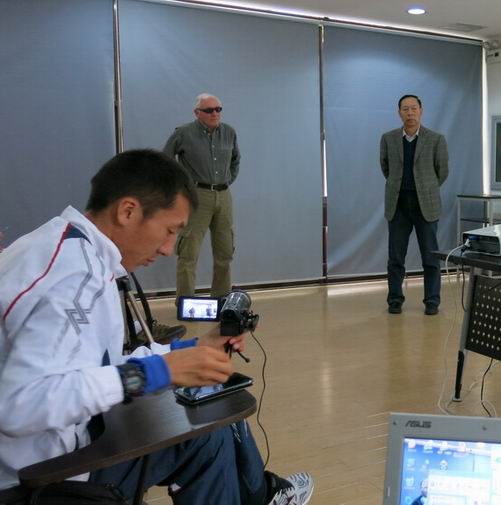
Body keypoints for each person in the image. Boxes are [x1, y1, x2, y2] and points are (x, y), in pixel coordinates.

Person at [0, 150, 312, 505]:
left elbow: (88, 367)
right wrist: (154, 372)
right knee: (206, 437)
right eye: (169, 231)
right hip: (44, 473)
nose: (167, 249)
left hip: (53, 447)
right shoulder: (75, 278)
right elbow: (20, 404)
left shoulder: (69, 250)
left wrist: (188, 351)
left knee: (208, 427)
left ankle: (262, 496)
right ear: (127, 211)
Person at [164, 93, 240, 300]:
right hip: (197, 197)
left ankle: (221, 300)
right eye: (209, 110)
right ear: (197, 113)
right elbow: (165, 161)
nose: (215, 113)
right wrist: (182, 187)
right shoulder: (183, 133)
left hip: (224, 196)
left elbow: (235, 160)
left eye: (218, 109)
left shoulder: (229, 133)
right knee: (188, 253)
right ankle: (185, 303)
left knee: (225, 252)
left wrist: (227, 180)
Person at [380, 94, 449, 315]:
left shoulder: (436, 139)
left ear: (421, 110)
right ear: (399, 112)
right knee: (395, 258)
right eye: (405, 109)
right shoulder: (388, 139)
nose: (410, 113)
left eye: (413, 108)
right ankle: (394, 300)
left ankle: (432, 301)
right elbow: (386, 168)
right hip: (398, 204)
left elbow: (442, 171)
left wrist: (425, 188)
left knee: (430, 257)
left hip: (425, 205)